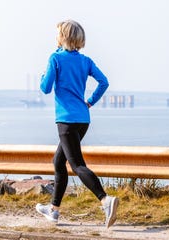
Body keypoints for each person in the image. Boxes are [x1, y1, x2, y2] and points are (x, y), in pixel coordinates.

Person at [36, 20, 119, 229]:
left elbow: (46, 88)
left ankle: (105, 200)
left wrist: (42, 77)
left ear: (62, 37)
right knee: (58, 162)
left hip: (66, 120)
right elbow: (104, 82)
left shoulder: (55, 58)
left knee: (77, 165)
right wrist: (90, 101)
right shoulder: (85, 60)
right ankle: (53, 210)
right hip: (83, 119)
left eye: (57, 34)